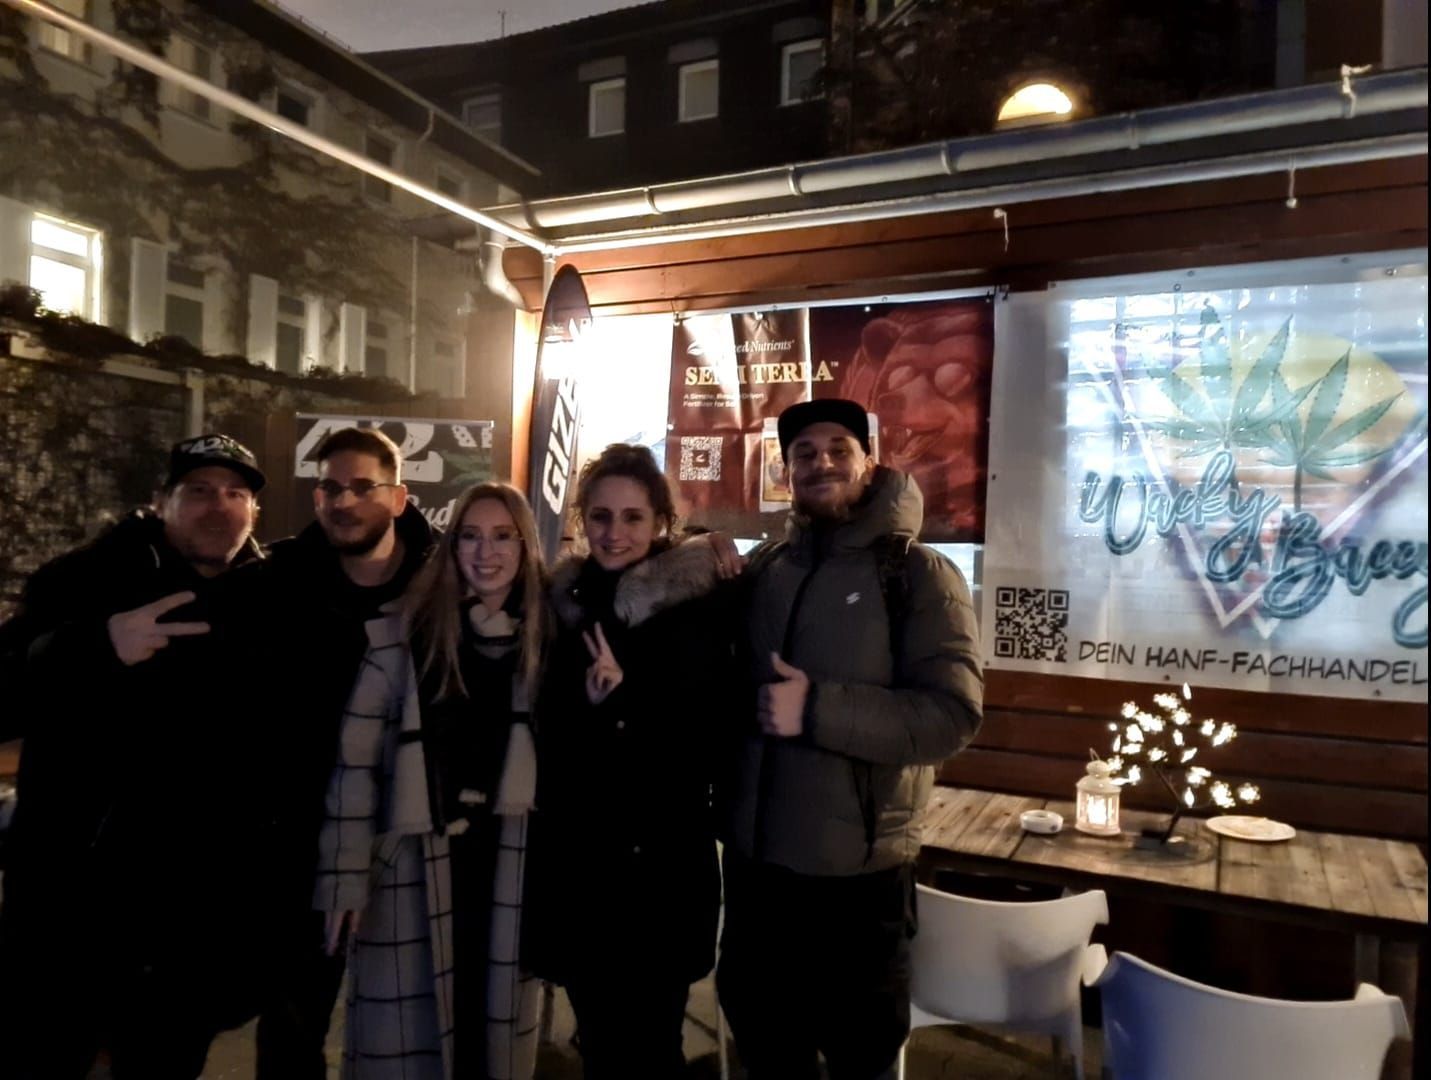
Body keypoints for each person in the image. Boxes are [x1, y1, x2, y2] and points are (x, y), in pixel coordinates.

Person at [717, 398, 984, 1080]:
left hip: (858, 887)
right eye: (804, 453)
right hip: (757, 877)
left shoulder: (919, 575)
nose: (822, 463)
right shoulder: (768, 567)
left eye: (840, 448)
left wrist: (817, 710)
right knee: (766, 1056)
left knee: (860, 1062)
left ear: (871, 460)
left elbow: (951, 716)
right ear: (787, 471)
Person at [0, 433, 268, 1078]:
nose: (219, 506)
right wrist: (95, 648)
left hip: (193, 923)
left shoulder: (269, 599)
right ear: (161, 500)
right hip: (74, 909)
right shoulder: (82, 580)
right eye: (199, 491)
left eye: (235, 494)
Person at [315, 482, 545, 1079]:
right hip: (412, 871)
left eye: (502, 536)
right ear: (451, 546)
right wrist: (344, 880)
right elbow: (355, 765)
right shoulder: (402, 636)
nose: (485, 552)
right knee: (407, 1047)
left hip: (508, 868)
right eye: (469, 536)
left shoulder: (548, 642)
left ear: (525, 546)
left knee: (488, 1040)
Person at [524, 443, 739, 1079]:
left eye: (632, 517)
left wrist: (630, 701)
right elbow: (546, 739)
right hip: (582, 870)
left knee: (652, 1044)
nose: (614, 532)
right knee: (597, 1040)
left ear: (661, 523)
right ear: (582, 520)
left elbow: (713, 736)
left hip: (662, 875)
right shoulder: (561, 606)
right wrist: (588, 706)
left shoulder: (701, 604)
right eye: (600, 516)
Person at [246, 425, 439, 1078]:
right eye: (330, 487)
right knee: (292, 1030)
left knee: (415, 1026)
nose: (343, 501)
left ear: (400, 498)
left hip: (414, 836)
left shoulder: (444, 583)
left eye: (362, 486)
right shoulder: (278, 580)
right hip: (303, 844)